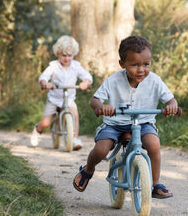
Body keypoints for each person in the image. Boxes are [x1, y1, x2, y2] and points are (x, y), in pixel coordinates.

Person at [72, 35, 181, 199]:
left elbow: (170, 99)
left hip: (143, 122)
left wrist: (171, 106)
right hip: (114, 124)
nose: (141, 70)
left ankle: (155, 183)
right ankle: (88, 169)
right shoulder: (114, 80)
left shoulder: (155, 81)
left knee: (154, 145)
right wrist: (102, 107)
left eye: (146, 64)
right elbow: (95, 100)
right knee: (101, 149)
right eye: (134, 65)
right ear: (122, 64)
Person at [31, 35, 92, 150]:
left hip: (68, 99)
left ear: (74, 54)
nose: (67, 58)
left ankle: (74, 138)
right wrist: (45, 83)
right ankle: (38, 129)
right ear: (58, 53)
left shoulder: (76, 66)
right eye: (64, 55)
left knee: (74, 114)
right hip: (54, 99)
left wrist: (85, 82)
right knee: (46, 122)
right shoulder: (53, 66)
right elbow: (44, 76)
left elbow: (86, 75)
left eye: (70, 55)